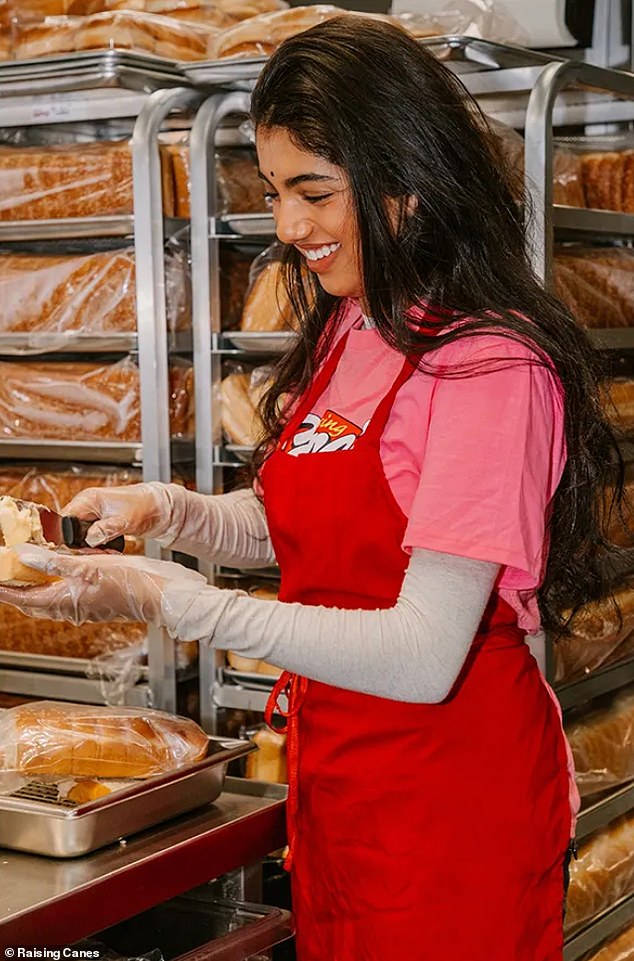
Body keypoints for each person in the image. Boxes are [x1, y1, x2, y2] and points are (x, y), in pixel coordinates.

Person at [0, 17, 623, 961]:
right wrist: (171, 515)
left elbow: (422, 651)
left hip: (450, 803)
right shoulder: (358, 324)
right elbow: (314, 524)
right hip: (342, 782)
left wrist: (185, 603)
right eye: (274, 190)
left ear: (406, 188)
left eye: (312, 192)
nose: (287, 228)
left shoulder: (488, 367)